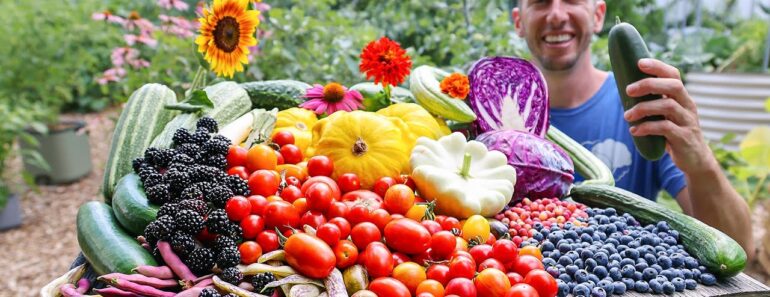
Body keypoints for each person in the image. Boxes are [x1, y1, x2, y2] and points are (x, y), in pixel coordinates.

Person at [512, 0, 754, 257]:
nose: (557, 15)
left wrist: (700, 161)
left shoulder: (647, 108)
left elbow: (737, 249)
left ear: (598, 15)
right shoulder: (498, 117)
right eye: (540, 2)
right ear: (518, 22)